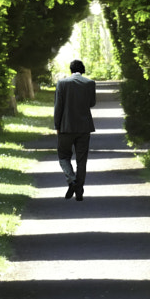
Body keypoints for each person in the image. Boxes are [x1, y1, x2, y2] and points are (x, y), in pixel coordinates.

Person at [53, 59, 96, 201]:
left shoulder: (62, 83)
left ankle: (72, 180)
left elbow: (58, 106)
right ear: (82, 69)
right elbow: (92, 103)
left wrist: (57, 126)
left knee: (63, 155)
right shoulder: (89, 83)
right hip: (84, 127)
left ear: (70, 70)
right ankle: (79, 190)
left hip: (66, 127)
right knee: (81, 159)